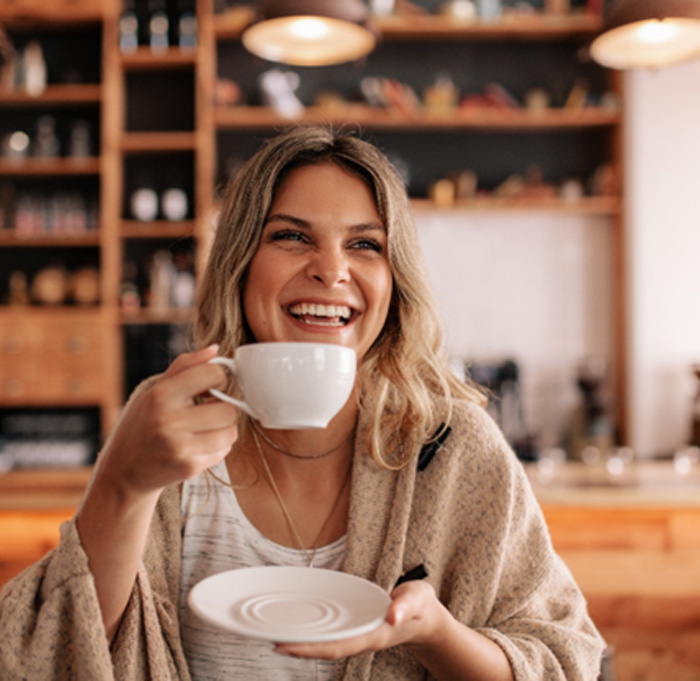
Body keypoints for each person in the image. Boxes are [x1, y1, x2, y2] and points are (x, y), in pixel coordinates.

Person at [0, 125, 605, 680]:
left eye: (365, 245)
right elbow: (51, 658)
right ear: (240, 265)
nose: (332, 270)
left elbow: (564, 658)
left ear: (394, 284)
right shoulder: (169, 436)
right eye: (292, 236)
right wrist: (121, 485)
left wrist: (436, 633)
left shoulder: (451, 448)